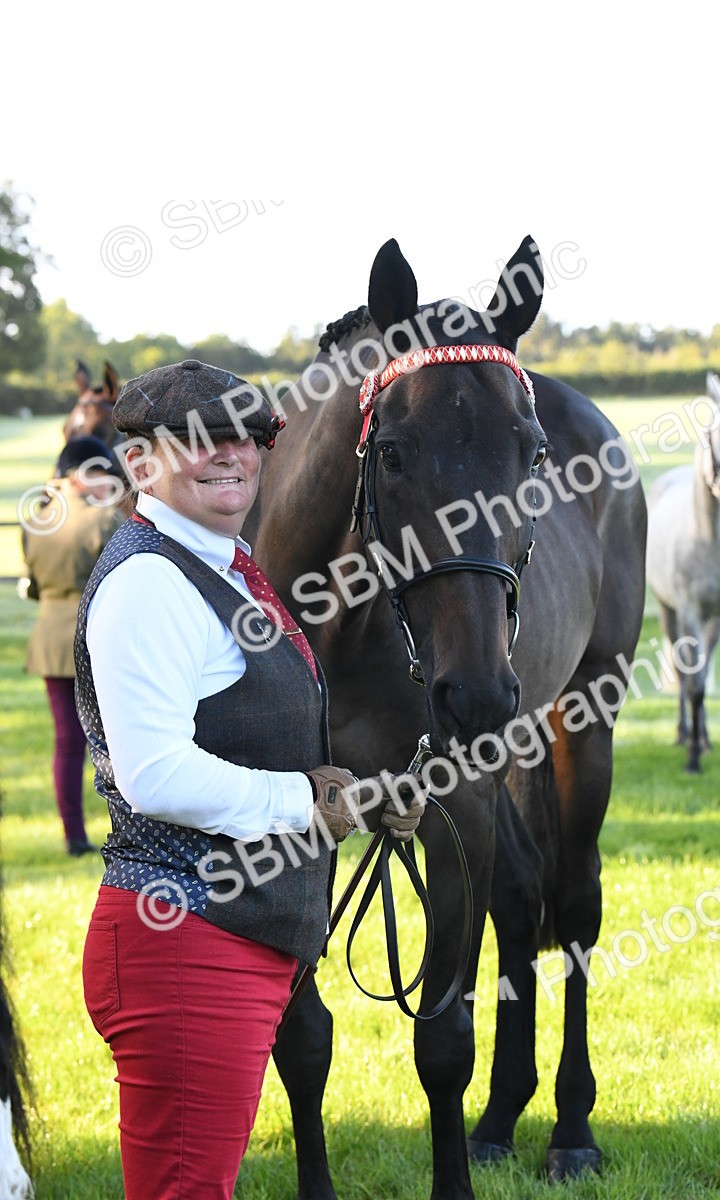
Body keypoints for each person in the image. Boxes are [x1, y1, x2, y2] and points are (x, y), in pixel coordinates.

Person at [75, 360, 426, 1200]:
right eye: (199, 439)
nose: (230, 453)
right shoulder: (150, 581)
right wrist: (306, 802)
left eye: (249, 436)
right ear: (142, 465)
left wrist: (362, 796)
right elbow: (155, 773)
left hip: (233, 937)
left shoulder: (223, 562)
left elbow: (250, 735)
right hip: (185, 939)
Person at [22, 435, 123, 855]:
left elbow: (34, 583)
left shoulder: (38, 519)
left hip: (48, 638)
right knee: (119, 740)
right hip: (96, 638)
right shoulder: (104, 521)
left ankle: (73, 835)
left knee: (67, 742)